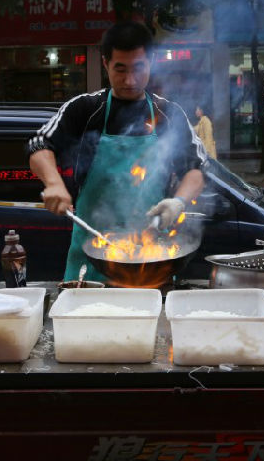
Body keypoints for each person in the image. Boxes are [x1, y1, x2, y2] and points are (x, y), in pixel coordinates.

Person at [28, 21, 207, 282]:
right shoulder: (84, 109)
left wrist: (178, 202)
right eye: (120, 69)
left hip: (149, 262)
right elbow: (39, 144)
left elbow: (197, 168)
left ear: (151, 62)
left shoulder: (168, 114)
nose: (129, 80)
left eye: (138, 68)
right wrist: (54, 184)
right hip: (91, 263)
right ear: (105, 64)